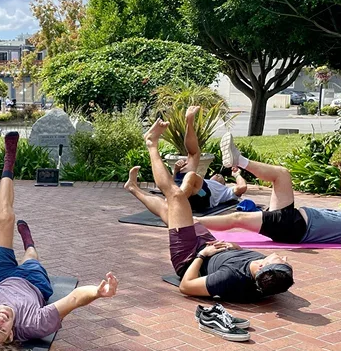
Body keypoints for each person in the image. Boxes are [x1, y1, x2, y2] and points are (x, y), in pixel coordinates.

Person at [0, 132, 119, 351]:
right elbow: (74, 299)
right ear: (10, 336)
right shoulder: (34, 324)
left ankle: (8, 163)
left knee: (5, 217)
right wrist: (98, 292)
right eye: (2, 329)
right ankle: (29, 241)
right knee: (31, 256)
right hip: (32, 284)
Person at [124, 119, 294, 313]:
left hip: (189, 255)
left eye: (281, 261)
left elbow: (186, 286)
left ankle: (151, 143)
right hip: (210, 244)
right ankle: (133, 188)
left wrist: (202, 255)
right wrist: (234, 246)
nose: (283, 257)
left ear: (264, 266)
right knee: (167, 210)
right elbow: (243, 258)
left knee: (176, 196)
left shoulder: (231, 278)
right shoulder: (266, 272)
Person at [196, 133, 341, 245]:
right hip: (291, 218)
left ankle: (192, 222)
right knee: (281, 174)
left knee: (238, 218)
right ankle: (239, 160)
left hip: (293, 227)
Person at [171, 106, 248, 213]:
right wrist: (176, 171)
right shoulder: (204, 181)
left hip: (202, 196)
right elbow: (173, 184)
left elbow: (242, 187)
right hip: (186, 185)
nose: (218, 175)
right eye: (217, 175)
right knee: (194, 154)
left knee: (192, 176)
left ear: (223, 184)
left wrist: (237, 175)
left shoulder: (225, 191)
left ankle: (174, 202)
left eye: (221, 178)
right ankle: (189, 122)